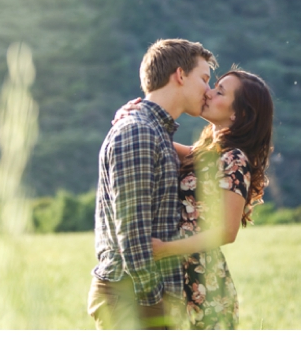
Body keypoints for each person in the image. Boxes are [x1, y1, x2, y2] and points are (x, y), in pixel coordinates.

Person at [87, 39, 217, 330]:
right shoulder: (139, 132)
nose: (209, 90)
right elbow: (132, 236)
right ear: (180, 75)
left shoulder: (155, 132)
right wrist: (155, 302)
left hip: (144, 295)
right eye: (205, 79)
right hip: (135, 297)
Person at [153, 68, 275, 330]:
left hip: (202, 282)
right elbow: (171, 147)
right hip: (181, 272)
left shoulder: (235, 159)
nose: (208, 92)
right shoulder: (210, 151)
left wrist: (165, 249)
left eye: (220, 92)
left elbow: (227, 232)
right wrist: (138, 116)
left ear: (238, 114)